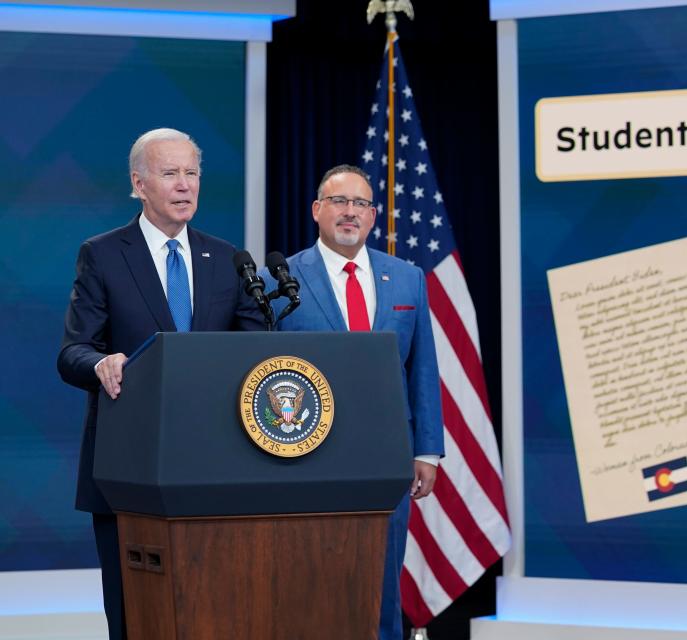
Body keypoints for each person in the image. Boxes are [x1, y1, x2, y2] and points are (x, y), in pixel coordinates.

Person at [57, 128, 264, 639]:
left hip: (216, 469)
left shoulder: (227, 259)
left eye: (191, 173)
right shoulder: (103, 254)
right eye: (170, 173)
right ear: (139, 184)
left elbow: (255, 349)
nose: (184, 185)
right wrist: (100, 365)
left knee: (214, 614)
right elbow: (73, 351)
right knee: (136, 617)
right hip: (130, 467)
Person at [261, 164, 443, 640]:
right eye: (339, 201)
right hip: (304, 455)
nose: (350, 212)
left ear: (373, 215)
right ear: (317, 210)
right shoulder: (279, 280)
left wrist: (426, 450)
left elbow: (422, 366)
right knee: (310, 577)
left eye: (361, 204)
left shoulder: (406, 278)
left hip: (387, 453)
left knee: (382, 577)